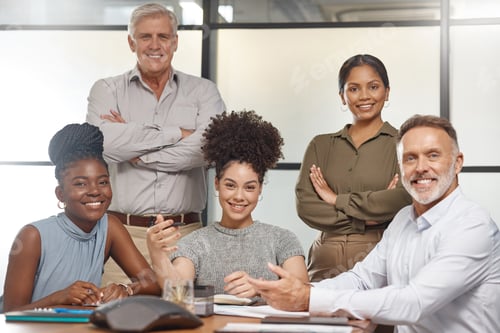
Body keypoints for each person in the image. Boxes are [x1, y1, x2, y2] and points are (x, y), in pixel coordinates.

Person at [248, 115, 500, 333]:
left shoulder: (472, 226)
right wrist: (297, 290)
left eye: (433, 155)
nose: (421, 167)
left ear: (457, 163)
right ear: (400, 167)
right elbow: (362, 280)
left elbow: (414, 303)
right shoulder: (403, 219)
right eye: (410, 159)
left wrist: (308, 298)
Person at [86, 3, 225, 286]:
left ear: (175, 42)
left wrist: (137, 152)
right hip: (122, 235)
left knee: (185, 321)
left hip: (185, 235)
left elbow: (208, 148)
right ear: (131, 42)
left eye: (163, 36)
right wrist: (178, 132)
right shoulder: (107, 89)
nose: (155, 45)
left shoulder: (204, 91)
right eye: (145, 36)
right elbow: (105, 144)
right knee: (117, 320)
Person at [146, 111, 308, 298]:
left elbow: (302, 291)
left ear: (260, 189)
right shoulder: (194, 243)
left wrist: (260, 288)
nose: (239, 196)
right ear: (217, 183)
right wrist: (156, 254)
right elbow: (177, 293)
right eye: (230, 185)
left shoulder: (282, 240)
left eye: (249, 187)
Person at [1, 123, 160, 312]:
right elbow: (9, 313)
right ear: (60, 194)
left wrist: (126, 289)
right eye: (80, 184)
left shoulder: (109, 227)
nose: (95, 191)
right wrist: (59, 297)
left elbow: (153, 284)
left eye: (102, 182)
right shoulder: (32, 236)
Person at [296, 54, 412, 282]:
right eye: (354, 89)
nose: (365, 96)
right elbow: (306, 206)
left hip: (380, 261)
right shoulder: (321, 145)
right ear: (342, 96)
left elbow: (401, 199)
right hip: (323, 263)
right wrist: (366, 218)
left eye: (374, 86)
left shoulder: (403, 143)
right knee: (315, 317)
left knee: (378, 318)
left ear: (387, 92)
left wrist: (335, 199)